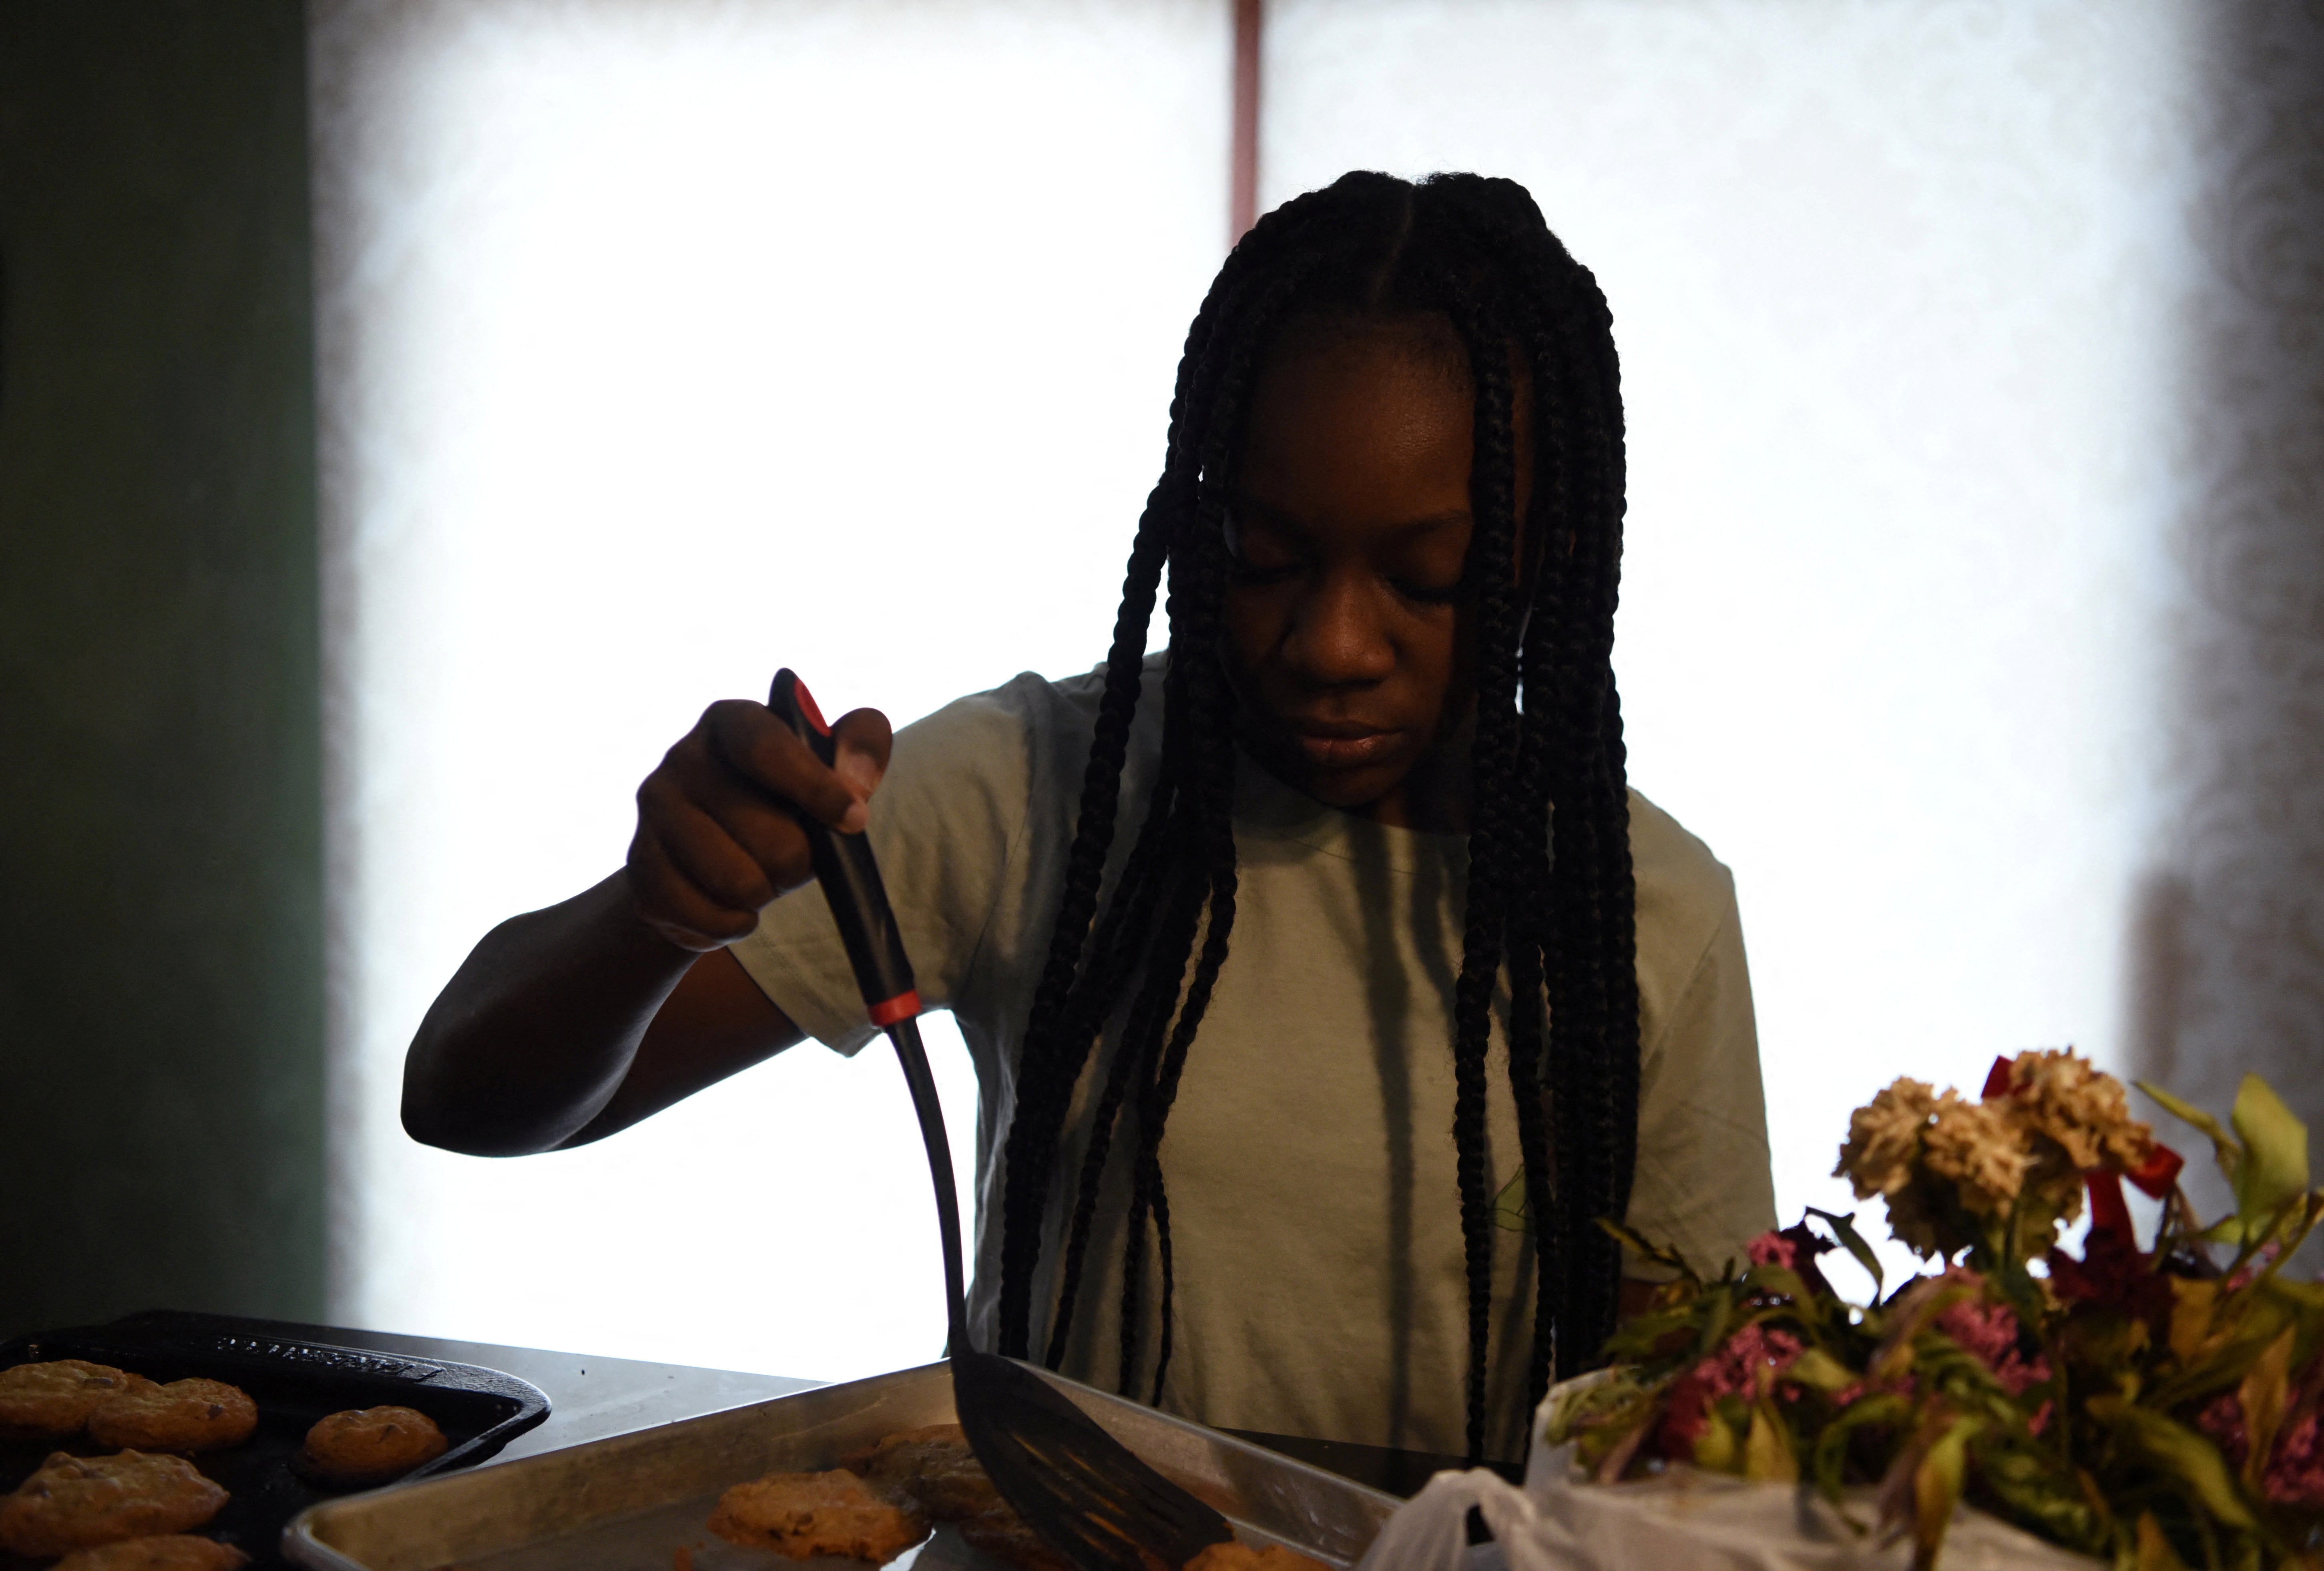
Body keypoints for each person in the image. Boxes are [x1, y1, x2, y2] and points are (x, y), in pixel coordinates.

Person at [401, 170, 1774, 1465]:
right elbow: (465, 1095)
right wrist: (656, 916)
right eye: (1265, 555)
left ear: (1550, 558)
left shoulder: (1645, 909)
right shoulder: (1039, 787)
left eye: (1429, 579)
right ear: (1194, 523)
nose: (1335, 642)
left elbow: (1690, 1430)